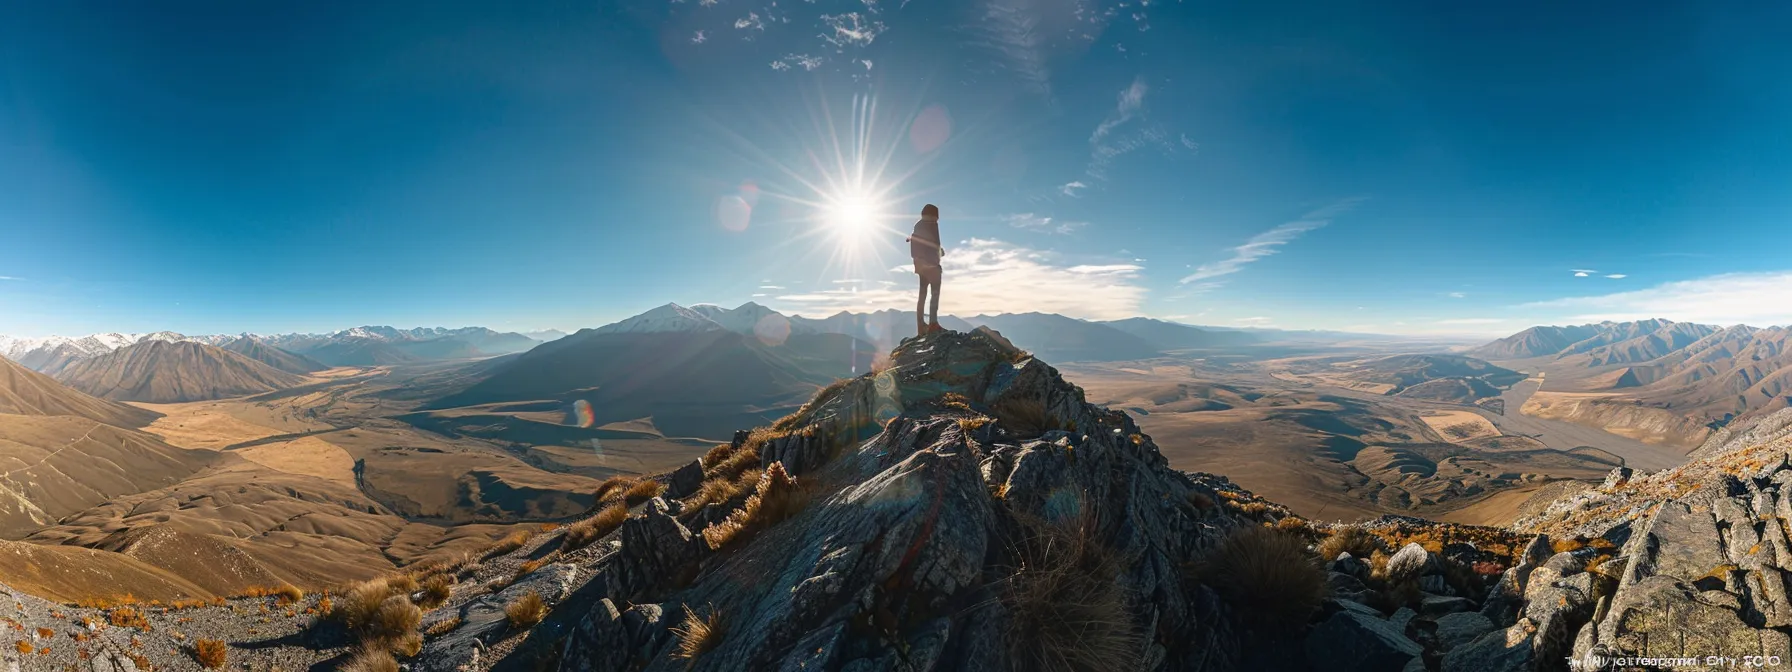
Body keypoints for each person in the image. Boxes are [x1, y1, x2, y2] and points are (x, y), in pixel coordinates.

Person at [906, 204, 944, 337]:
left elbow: (924, 243)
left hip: (922, 266)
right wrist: (937, 256)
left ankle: (921, 326)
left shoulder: (919, 225)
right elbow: (933, 243)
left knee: (922, 295)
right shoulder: (931, 224)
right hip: (931, 266)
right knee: (934, 294)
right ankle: (933, 323)